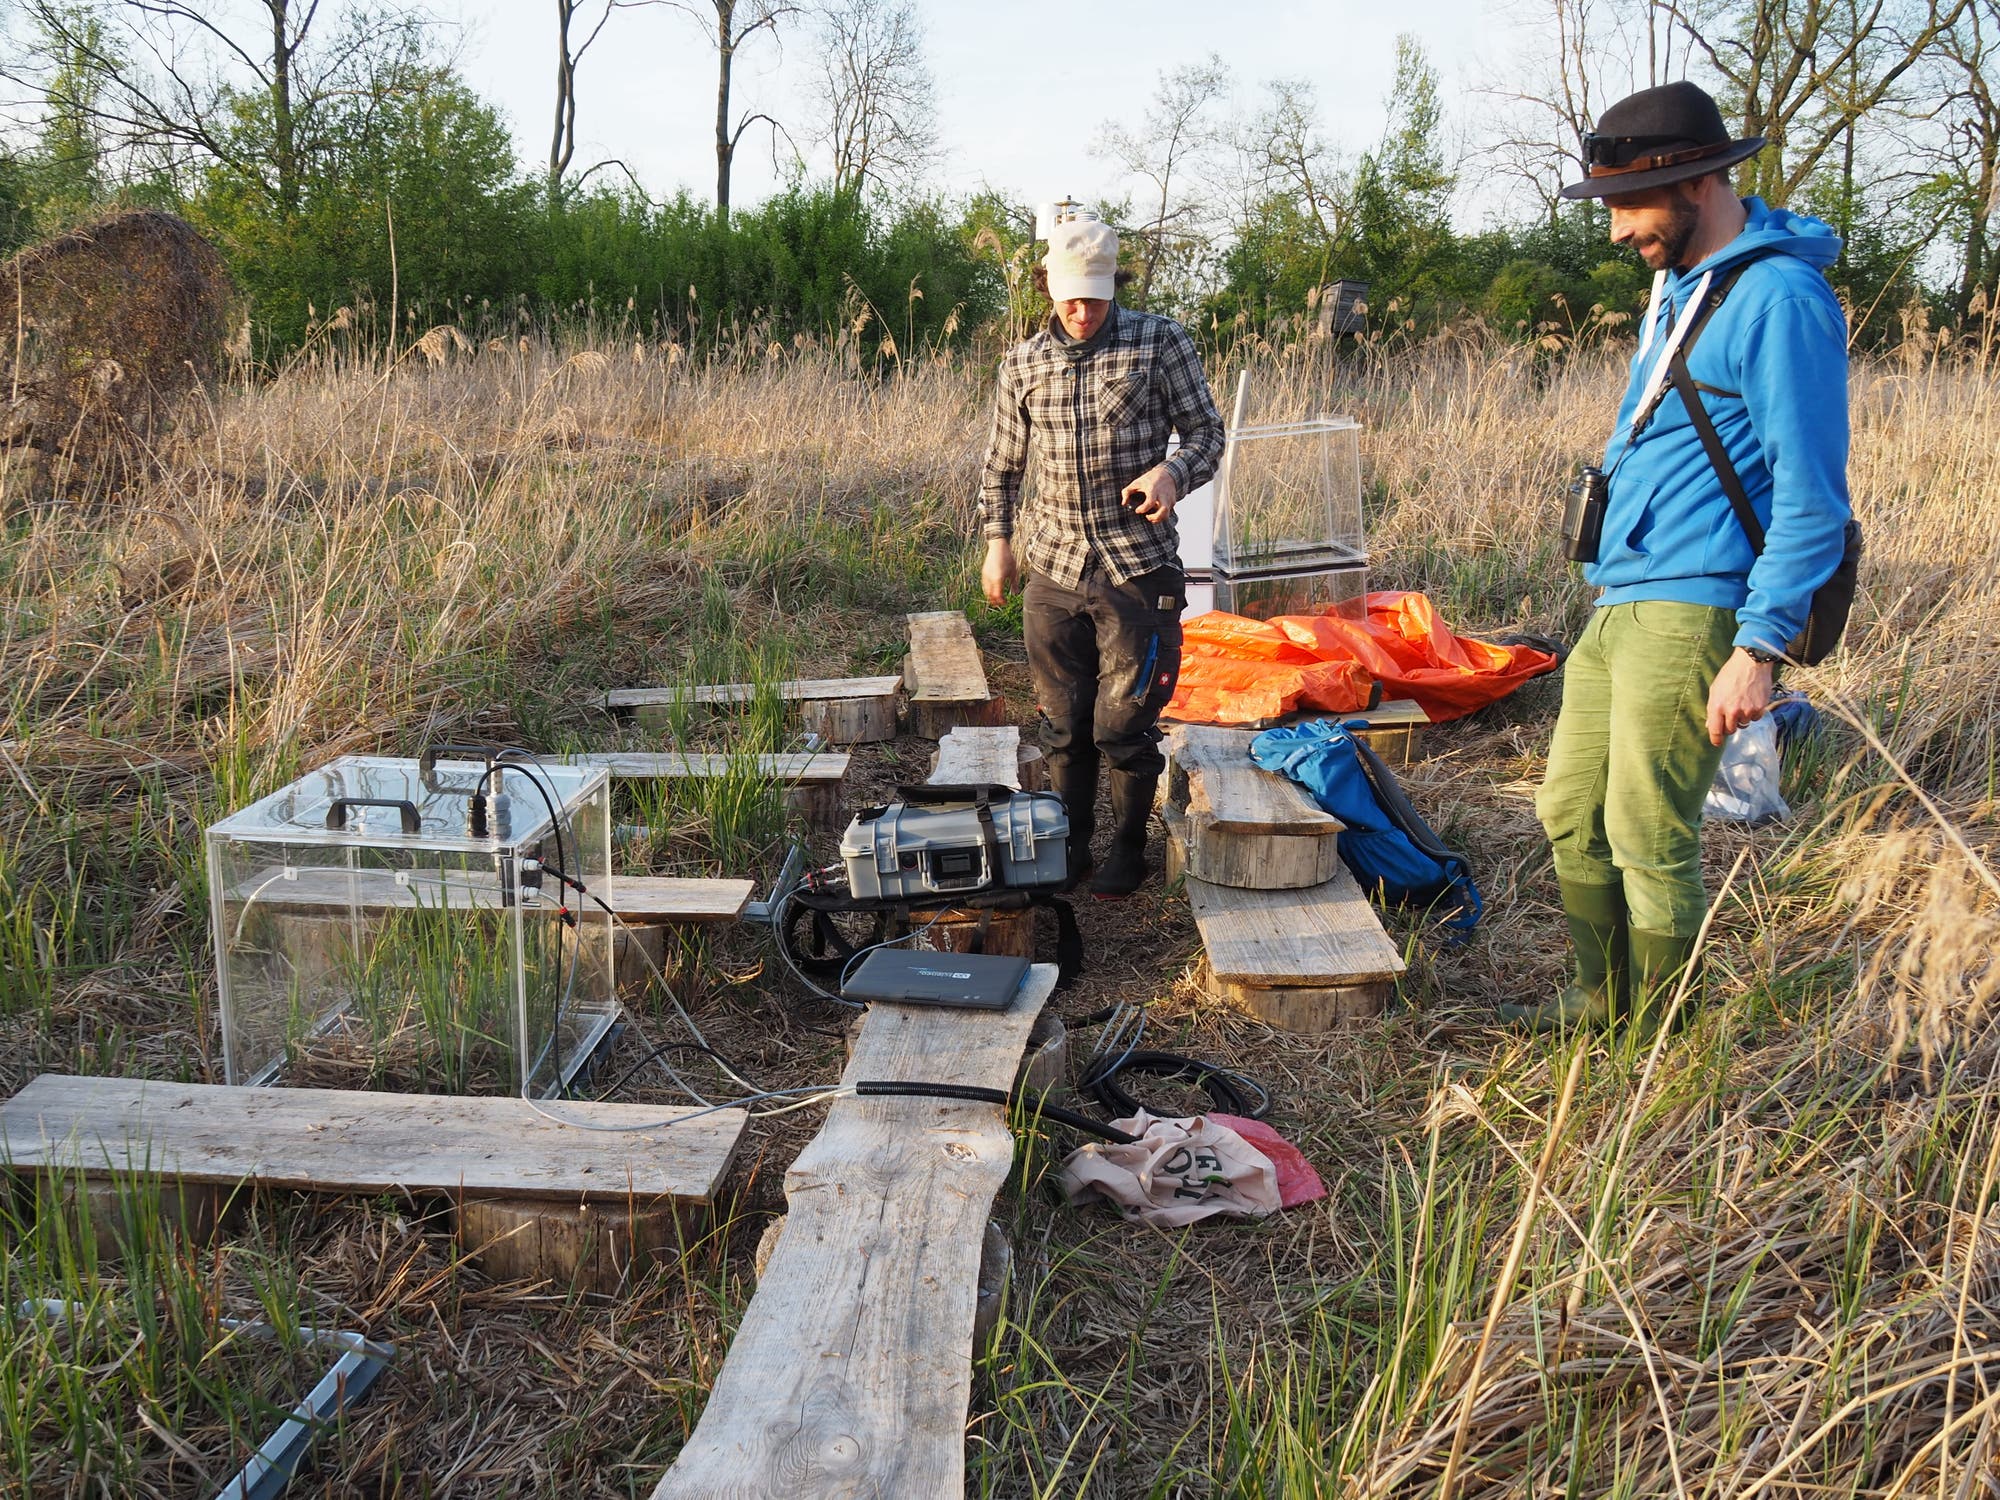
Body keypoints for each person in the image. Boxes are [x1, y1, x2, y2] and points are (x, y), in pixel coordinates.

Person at [1502, 80, 1853, 1030]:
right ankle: (1600, 1000)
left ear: (1695, 183)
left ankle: (1660, 1045)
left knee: (1648, 830)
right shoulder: (1681, 291)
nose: (1615, 232)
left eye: (1626, 206)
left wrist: (1759, 645)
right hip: (1621, 599)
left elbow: (1815, 498)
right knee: (1570, 811)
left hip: (1697, 605)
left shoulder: (1778, 298)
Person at [978, 215, 1225, 897]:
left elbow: (1207, 432)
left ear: (1115, 285)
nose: (1082, 312)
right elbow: (1001, 466)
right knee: (1064, 723)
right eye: (1069, 298)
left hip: (1136, 568)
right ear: (1048, 289)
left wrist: (1172, 475)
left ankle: (1127, 848)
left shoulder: (1159, 341)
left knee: (1122, 722)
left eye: (1095, 296)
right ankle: (1073, 844)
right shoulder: (1022, 364)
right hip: (1054, 568)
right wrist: (999, 544)